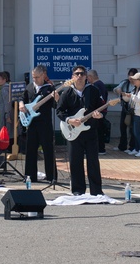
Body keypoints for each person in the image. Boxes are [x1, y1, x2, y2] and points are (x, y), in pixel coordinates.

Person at [55, 65, 105, 195]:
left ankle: (96, 191)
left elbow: (102, 107)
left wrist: (100, 115)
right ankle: (78, 190)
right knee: (75, 161)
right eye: (77, 74)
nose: (79, 76)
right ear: (73, 76)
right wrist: (69, 121)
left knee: (93, 161)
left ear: (86, 77)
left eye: (82, 74)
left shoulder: (93, 91)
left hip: (90, 131)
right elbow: (59, 111)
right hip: (73, 132)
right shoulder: (67, 92)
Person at [22, 65, 58, 184]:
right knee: (31, 149)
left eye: (37, 77)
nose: (35, 79)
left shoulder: (50, 88)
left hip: (45, 122)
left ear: (43, 75)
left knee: (48, 149)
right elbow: (23, 98)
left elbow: (55, 106)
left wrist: (56, 99)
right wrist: (22, 104)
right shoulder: (30, 87)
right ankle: (30, 176)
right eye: (33, 77)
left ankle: (51, 176)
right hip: (32, 123)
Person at [121, 71, 140, 158]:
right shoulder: (135, 89)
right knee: (134, 132)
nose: (133, 81)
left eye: (135, 79)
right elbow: (132, 98)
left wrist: (131, 96)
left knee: (137, 133)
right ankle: (136, 149)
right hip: (134, 112)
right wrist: (126, 95)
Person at [113, 71, 138, 153]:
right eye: (129, 77)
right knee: (122, 127)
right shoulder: (124, 83)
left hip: (134, 108)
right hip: (125, 107)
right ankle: (122, 146)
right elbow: (115, 89)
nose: (131, 79)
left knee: (132, 129)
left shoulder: (138, 85)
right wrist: (118, 90)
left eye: (133, 77)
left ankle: (132, 147)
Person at [87, 69, 111, 151]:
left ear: (90, 77)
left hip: (98, 112)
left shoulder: (96, 86)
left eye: (87, 77)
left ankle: (100, 148)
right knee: (100, 130)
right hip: (101, 111)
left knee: (98, 131)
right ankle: (100, 148)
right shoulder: (101, 85)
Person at [0, 71, 13, 138]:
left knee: (5, 131)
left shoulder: (5, 89)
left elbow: (7, 103)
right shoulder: (0, 88)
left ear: (4, 80)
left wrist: (7, 115)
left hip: (5, 114)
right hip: (1, 112)